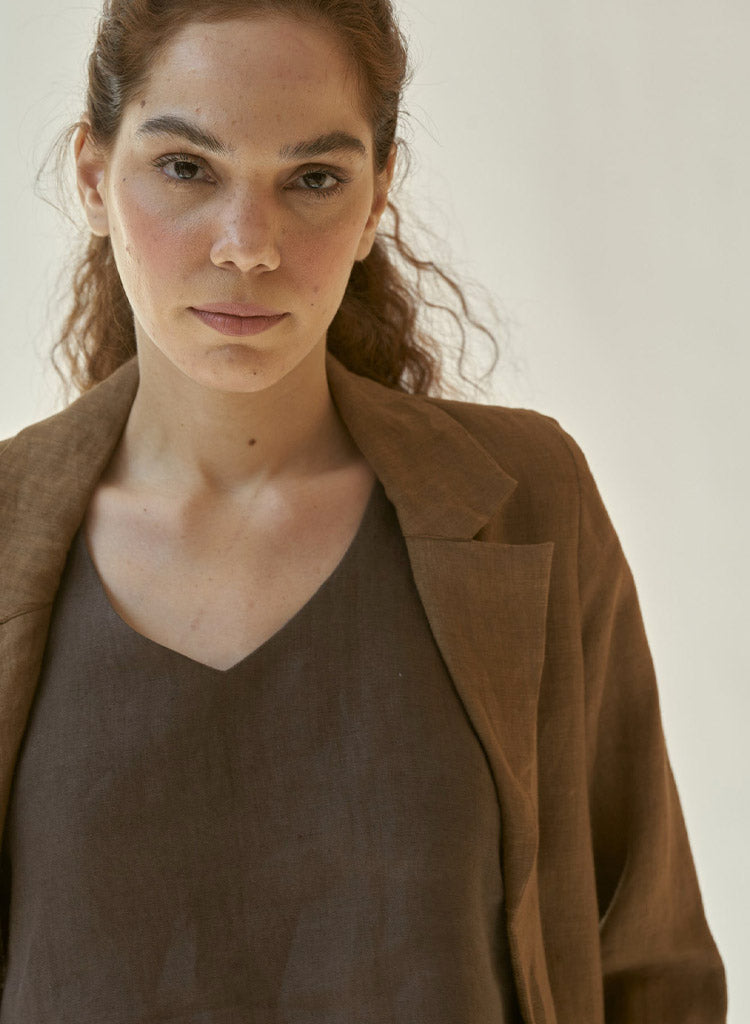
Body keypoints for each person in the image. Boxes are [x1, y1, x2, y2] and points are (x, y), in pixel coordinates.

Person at [0, 0, 727, 1021]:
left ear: (378, 194)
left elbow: (652, 969)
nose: (248, 246)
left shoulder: (526, 501)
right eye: (186, 168)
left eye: (312, 179)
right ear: (93, 177)